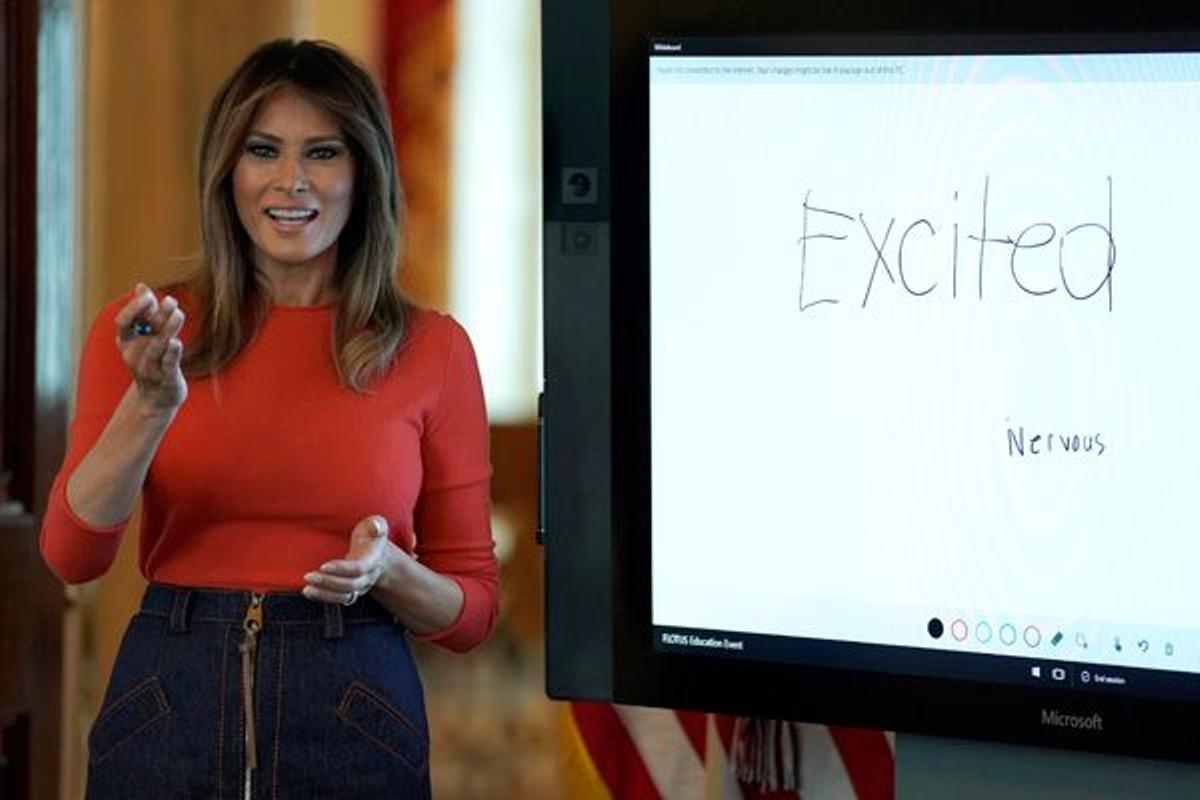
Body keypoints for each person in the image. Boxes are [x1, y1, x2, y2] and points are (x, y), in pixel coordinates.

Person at [39, 38, 497, 799]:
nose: (291, 181)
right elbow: (70, 555)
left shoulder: (433, 350)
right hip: (164, 701)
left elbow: (471, 612)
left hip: (357, 703)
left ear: (364, 172)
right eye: (264, 150)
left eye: (323, 152)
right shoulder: (149, 332)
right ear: (228, 171)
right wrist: (149, 407)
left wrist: (388, 572)